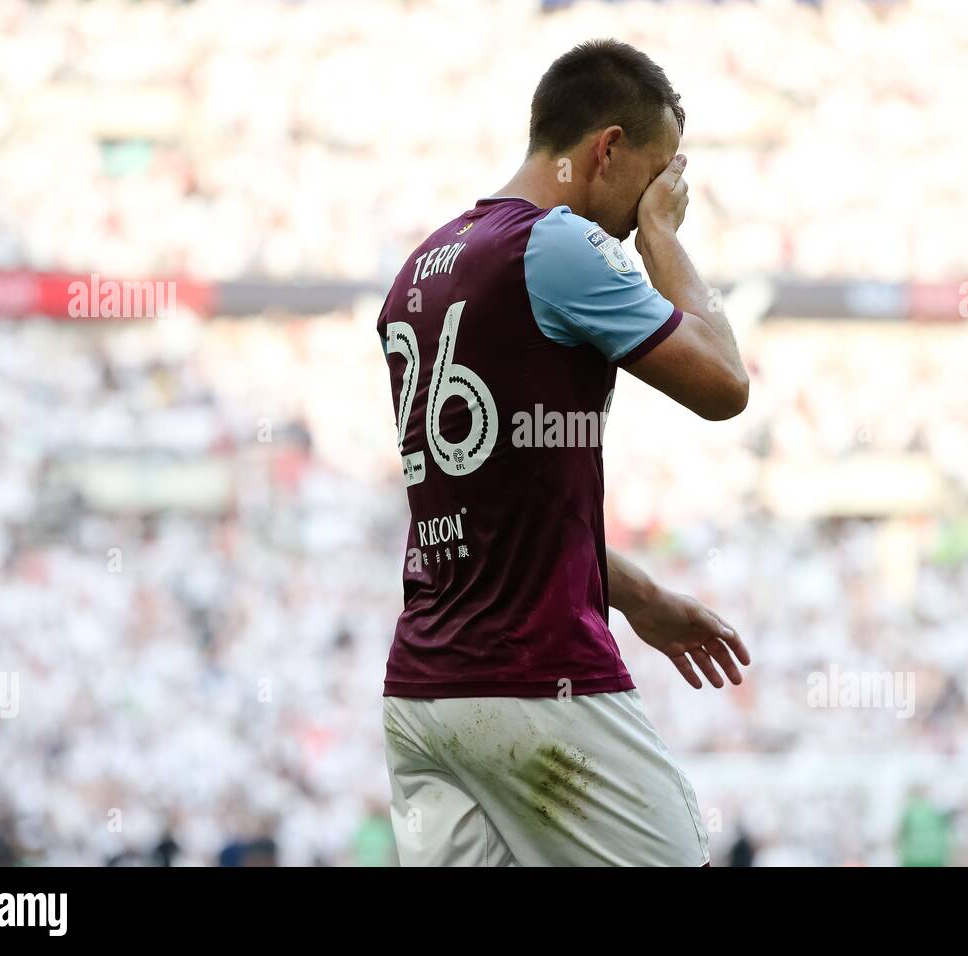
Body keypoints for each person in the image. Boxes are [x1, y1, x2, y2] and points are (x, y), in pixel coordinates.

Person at [375, 39, 750, 866]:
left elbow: (495, 507)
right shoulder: (555, 247)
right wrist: (663, 241)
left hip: (424, 697)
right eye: (654, 179)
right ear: (607, 149)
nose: (649, 204)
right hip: (537, 679)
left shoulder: (418, 270)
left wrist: (636, 593)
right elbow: (725, 384)